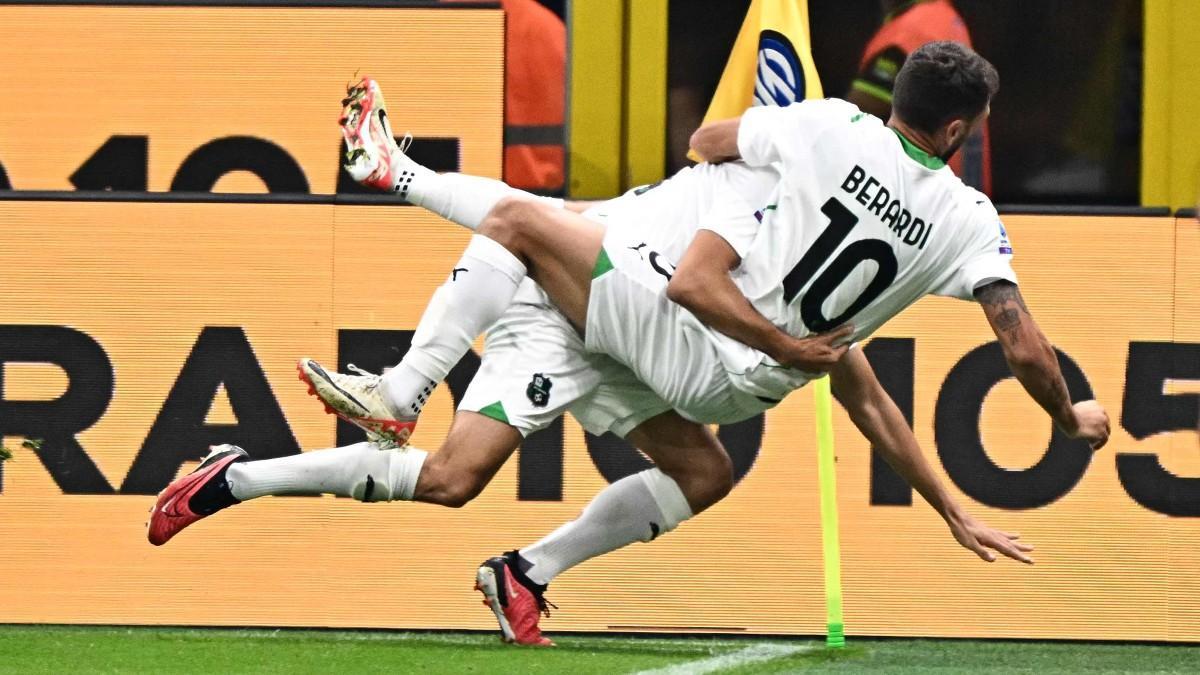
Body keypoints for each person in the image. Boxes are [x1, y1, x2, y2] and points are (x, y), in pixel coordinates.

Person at [149, 43, 1110, 645]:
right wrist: (1056, 427)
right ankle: (249, 472)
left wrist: (747, 146)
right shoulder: (955, 218)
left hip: (648, 314)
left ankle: (425, 402)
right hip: (632, 323)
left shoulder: (809, 139)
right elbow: (1001, 352)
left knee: (534, 228)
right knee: (455, 474)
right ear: (959, 130)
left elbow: (707, 146)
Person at [847, 0, 991, 195]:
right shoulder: (945, 16)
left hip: (919, 197)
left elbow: (852, 117)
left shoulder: (906, 33)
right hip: (956, 191)